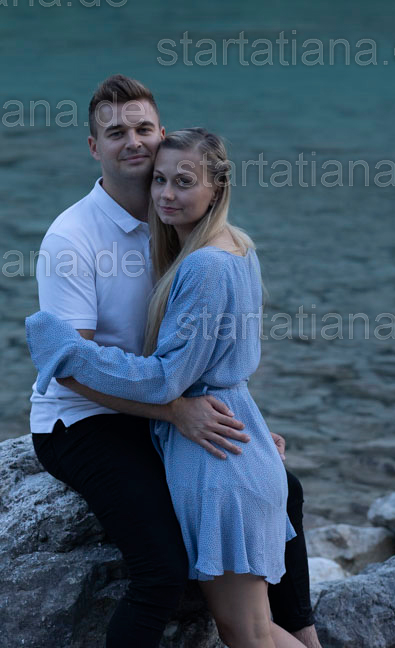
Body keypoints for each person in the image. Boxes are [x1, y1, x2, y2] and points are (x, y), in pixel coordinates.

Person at [29, 76, 320, 648]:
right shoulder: (73, 238)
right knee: (162, 568)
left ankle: (306, 633)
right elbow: (71, 372)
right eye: (116, 132)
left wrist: (244, 426)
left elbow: (206, 353)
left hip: (156, 402)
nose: (133, 141)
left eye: (143, 128)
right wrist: (176, 412)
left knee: (285, 489)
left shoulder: (181, 228)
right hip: (84, 419)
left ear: (161, 134)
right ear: (94, 147)